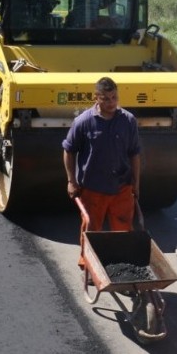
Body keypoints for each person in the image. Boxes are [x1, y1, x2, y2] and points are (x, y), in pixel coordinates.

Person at [62, 77, 141, 267]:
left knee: (123, 229)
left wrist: (136, 185)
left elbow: (135, 154)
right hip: (93, 188)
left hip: (121, 187)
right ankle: (88, 265)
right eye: (106, 98)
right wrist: (71, 181)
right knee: (92, 229)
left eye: (114, 97)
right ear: (96, 97)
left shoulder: (128, 121)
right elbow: (69, 150)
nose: (111, 102)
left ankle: (122, 266)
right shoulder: (84, 122)